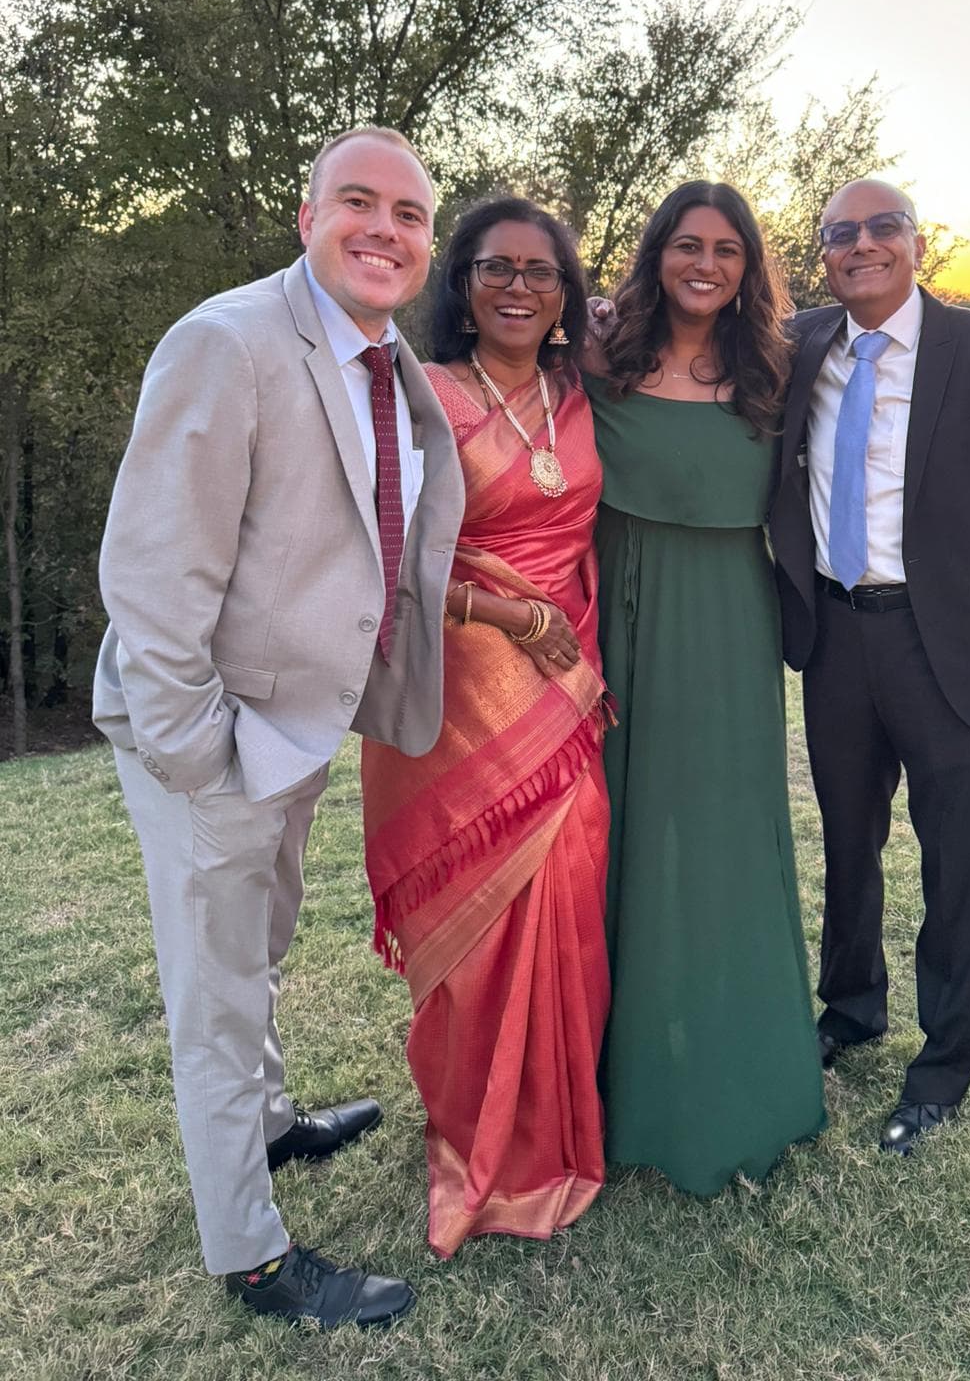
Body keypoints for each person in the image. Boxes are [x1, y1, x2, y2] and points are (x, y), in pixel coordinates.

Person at [92, 126, 465, 1328]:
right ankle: (250, 1254)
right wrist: (198, 754)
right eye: (357, 202)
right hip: (210, 736)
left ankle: (267, 1124)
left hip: (295, 729)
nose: (384, 229)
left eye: (408, 214)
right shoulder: (228, 342)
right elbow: (153, 575)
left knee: (258, 949)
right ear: (307, 217)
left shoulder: (382, 355)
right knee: (214, 990)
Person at [770, 177, 970, 1155]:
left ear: (916, 242)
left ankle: (943, 1067)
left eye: (881, 227)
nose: (860, 244)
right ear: (822, 252)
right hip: (835, 637)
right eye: (838, 233)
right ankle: (852, 1007)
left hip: (944, 645)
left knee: (957, 862)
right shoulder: (799, 346)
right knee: (849, 844)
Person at [360, 197, 611, 1257]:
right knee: (474, 920)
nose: (520, 287)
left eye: (542, 271)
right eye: (498, 267)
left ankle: (558, 1130)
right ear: (460, 283)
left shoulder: (586, 393)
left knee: (571, 885)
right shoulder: (420, 397)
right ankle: (479, 1140)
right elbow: (377, 549)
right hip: (458, 692)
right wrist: (507, 612)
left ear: (566, 295)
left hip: (570, 692)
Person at [586, 180, 827, 1196]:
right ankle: (617, 1083)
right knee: (623, 834)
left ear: (748, 267)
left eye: (728, 249)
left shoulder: (778, 365)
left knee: (728, 837)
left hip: (731, 618)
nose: (706, 263)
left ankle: (746, 1083)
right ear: (658, 253)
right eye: (688, 244)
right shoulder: (599, 355)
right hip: (618, 615)